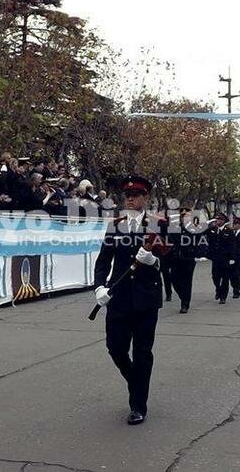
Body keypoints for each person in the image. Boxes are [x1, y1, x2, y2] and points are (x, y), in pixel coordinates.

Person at [93, 175, 165, 426]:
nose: (131, 198)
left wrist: (154, 262)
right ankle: (137, 382)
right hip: (119, 296)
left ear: (146, 197)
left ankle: (138, 405)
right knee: (115, 347)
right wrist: (99, 286)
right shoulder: (116, 225)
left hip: (146, 298)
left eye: (136, 194)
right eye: (128, 195)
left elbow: (174, 256)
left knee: (143, 352)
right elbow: (103, 261)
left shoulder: (158, 224)